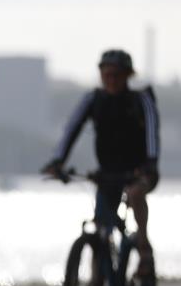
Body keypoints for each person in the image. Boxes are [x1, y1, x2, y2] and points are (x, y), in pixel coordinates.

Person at [42, 49, 161, 271]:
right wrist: (58, 161)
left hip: (139, 171)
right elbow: (72, 128)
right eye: (106, 75)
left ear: (127, 76)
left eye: (116, 75)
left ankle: (144, 249)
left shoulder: (141, 100)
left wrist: (150, 165)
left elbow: (153, 134)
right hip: (107, 173)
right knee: (101, 231)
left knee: (135, 194)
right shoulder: (93, 100)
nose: (111, 80)